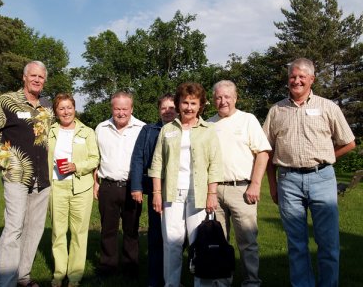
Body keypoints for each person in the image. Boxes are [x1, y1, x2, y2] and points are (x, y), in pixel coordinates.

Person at [263, 58, 356, 287]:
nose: (296, 80)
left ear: (312, 79)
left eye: (301, 76)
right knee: (296, 245)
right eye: (293, 76)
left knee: (328, 243)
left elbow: (349, 142)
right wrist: (273, 186)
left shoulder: (328, 107)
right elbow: (266, 149)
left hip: (322, 179)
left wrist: (327, 156)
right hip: (288, 181)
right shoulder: (276, 110)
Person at [0, 61, 54, 287]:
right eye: (33, 76)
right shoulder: (6, 101)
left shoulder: (47, 106)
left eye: (41, 77)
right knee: (14, 229)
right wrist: (1, 159)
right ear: (24, 77)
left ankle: (23, 277)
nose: (37, 80)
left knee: (34, 229)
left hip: (42, 177)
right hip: (16, 176)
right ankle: (5, 282)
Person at [149, 82, 223, 287]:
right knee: (171, 243)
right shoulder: (167, 129)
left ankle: (202, 284)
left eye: (193, 103)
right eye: (184, 103)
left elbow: (215, 163)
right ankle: (172, 284)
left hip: (198, 194)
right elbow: (157, 162)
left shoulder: (209, 130)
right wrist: (156, 192)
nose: (188, 107)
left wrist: (212, 192)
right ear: (178, 104)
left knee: (200, 244)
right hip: (172, 194)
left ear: (200, 105)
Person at [208, 80, 271, 287]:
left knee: (247, 241)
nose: (222, 101)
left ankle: (251, 281)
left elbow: (262, 152)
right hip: (215, 191)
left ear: (235, 98)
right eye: (218, 97)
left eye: (227, 96)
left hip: (242, 189)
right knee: (218, 241)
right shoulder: (208, 124)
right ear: (213, 99)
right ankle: (221, 282)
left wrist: (255, 184)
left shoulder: (247, 120)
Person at [48, 94, 99, 287]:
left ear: (75, 108)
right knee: (58, 232)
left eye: (69, 107)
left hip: (81, 187)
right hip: (57, 186)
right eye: (61, 108)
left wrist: (76, 166)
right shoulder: (49, 131)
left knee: (79, 233)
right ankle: (59, 274)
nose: (66, 111)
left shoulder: (87, 132)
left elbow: (94, 159)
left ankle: (75, 276)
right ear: (56, 111)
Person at [93, 91, 145, 279]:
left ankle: (130, 267)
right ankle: (108, 267)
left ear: (131, 108)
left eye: (125, 108)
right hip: (108, 186)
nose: (121, 112)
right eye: (117, 109)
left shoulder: (142, 128)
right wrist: (95, 183)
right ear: (111, 108)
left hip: (133, 188)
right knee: (108, 230)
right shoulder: (101, 128)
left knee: (131, 230)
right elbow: (96, 158)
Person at [130, 93, 177, 287]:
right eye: (163, 108)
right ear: (158, 110)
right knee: (156, 236)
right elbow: (138, 158)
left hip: (179, 192)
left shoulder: (185, 130)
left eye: (171, 108)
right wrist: (136, 186)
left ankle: (174, 278)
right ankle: (155, 280)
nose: (167, 111)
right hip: (155, 191)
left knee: (177, 238)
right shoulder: (148, 130)